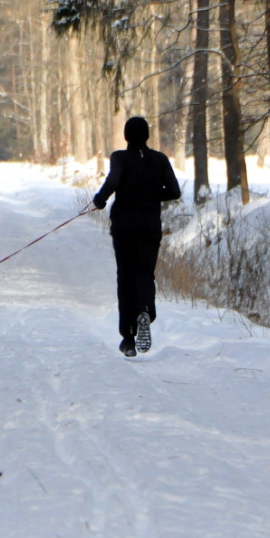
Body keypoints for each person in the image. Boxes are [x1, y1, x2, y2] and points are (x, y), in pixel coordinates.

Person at [92, 116, 182, 357]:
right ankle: (146, 312)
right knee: (145, 273)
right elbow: (174, 191)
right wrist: (151, 194)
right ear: (148, 136)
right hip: (149, 227)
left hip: (124, 227)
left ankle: (128, 338)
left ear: (126, 136)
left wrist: (100, 199)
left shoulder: (120, 157)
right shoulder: (160, 160)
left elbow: (113, 180)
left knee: (126, 277)